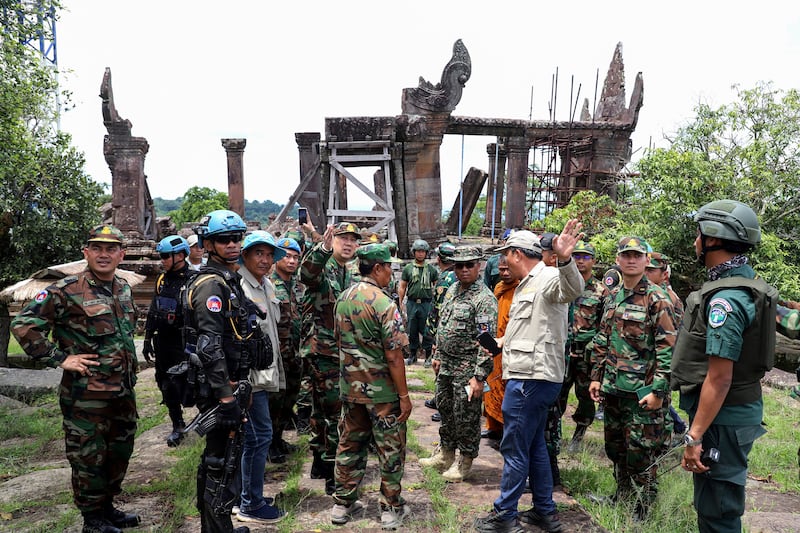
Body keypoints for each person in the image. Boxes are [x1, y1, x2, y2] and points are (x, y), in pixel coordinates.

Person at [12, 224, 141, 533]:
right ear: (86, 253)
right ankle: (92, 519)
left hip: (122, 390)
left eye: (111, 249)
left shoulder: (122, 288)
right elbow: (24, 325)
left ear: (121, 254)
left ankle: (107, 507)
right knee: (88, 455)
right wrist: (61, 358)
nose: (104, 254)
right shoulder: (65, 289)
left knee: (118, 451)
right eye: (97, 248)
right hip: (86, 395)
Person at [671, 200, 778, 533]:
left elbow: (719, 378)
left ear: (713, 238)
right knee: (718, 505)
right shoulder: (746, 285)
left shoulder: (725, 301)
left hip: (722, 419)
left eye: (698, 234)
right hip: (732, 414)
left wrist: (694, 436)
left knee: (717, 511)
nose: (694, 242)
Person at [473, 223, 583, 533]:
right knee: (533, 445)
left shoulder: (548, 277)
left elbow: (572, 289)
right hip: (529, 375)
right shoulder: (526, 283)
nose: (502, 263)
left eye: (505, 256)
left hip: (531, 378)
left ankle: (506, 515)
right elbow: (526, 326)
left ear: (516, 254)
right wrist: (497, 344)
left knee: (514, 448)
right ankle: (544, 511)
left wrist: (564, 259)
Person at [588, 236, 677, 522]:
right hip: (614, 389)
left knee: (641, 453)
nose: (631, 260)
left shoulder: (657, 299)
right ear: (617, 260)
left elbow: (668, 350)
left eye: (637, 255)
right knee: (616, 448)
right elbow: (602, 339)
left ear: (646, 261)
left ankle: (646, 508)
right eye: (626, 255)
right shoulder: (612, 296)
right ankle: (622, 497)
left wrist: (659, 392)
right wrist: (596, 378)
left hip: (643, 393)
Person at [183, 209, 259, 533]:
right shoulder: (211, 285)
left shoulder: (227, 280)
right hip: (219, 390)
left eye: (236, 238)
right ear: (208, 244)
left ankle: (216, 526)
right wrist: (227, 399)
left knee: (222, 458)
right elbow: (209, 347)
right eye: (223, 239)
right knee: (221, 463)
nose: (232, 244)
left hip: (230, 385)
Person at [331, 243, 412, 529]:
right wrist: (404, 396)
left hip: (351, 391)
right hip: (383, 395)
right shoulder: (384, 303)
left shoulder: (343, 298)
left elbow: (338, 342)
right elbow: (394, 355)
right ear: (377, 268)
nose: (392, 271)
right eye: (389, 266)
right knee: (389, 449)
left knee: (350, 445)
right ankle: (390, 507)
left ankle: (342, 503)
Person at [419, 245, 497, 483]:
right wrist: (438, 354)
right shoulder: (452, 289)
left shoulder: (484, 300)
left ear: (478, 266)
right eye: (459, 265)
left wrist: (479, 376)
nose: (463, 270)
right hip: (447, 365)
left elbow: (487, 342)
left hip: (468, 368)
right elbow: (444, 324)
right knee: (445, 409)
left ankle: (465, 460)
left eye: (469, 265)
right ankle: (446, 453)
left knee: (466, 416)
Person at [300, 221, 361, 495]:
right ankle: (334, 472)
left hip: (337, 353)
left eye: (353, 240)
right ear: (332, 241)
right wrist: (321, 245)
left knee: (320, 411)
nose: (348, 243)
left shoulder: (349, 271)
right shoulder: (323, 266)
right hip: (324, 352)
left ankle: (319, 462)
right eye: (342, 238)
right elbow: (307, 274)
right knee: (336, 415)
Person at [234, 230, 286, 525]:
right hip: (250, 380)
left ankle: (248, 495)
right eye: (259, 254)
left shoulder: (265, 284)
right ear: (245, 256)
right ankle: (250, 504)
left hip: (263, 375)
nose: (265, 260)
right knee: (258, 438)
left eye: (269, 255)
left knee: (253, 439)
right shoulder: (242, 287)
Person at [143, 235, 193, 447]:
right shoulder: (162, 280)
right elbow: (154, 310)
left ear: (180, 255)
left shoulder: (194, 279)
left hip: (183, 342)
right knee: (165, 383)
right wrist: (147, 338)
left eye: (165, 256)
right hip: (163, 342)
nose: (162, 260)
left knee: (187, 383)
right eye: (161, 256)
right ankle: (177, 424)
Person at [560, 241, 608, 454]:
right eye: (577, 256)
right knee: (557, 394)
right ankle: (554, 434)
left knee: (585, 396)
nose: (580, 260)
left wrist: (593, 348)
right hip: (562, 352)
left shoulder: (601, 291)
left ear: (593, 261)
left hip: (586, 355)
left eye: (585, 257)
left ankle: (579, 435)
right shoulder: (564, 285)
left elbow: (605, 327)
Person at [268, 236, 304, 463]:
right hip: (276, 355)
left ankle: (279, 437)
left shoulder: (298, 285)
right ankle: (270, 443)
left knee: (290, 398)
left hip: (295, 354)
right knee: (275, 401)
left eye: (295, 257)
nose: (291, 261)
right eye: (287, 256)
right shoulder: (270, 285)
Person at [482, 253, 519, 442]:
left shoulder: (521, 289)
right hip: (495, 344)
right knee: (491, 384)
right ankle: (493, 427)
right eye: (501, 270)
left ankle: (506, 430)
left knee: (506, 389)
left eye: (508, 269)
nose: (504, 273)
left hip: (512, 345)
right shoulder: (498, 288)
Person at [423, 242, 457, 422]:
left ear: (439, 259)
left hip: (443, 332)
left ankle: (445, 406)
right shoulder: (455, 276)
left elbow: (439, 309)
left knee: (442, 370)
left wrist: (433, 334)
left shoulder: (446, 279)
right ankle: (439, 399)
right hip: (450, 331)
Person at [398, 239, 439, 365]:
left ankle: (428, 355)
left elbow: (436, 286)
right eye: (418, 251)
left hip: (426, 303)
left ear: (426, 253)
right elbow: (403, 286)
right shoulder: (408, 269)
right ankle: (412, 355)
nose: (420, 254)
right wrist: (400, 302)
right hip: (412, 302)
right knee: (412, 329)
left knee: (427, 329)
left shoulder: (432, 270)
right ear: (414, 252)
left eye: (423, 252)